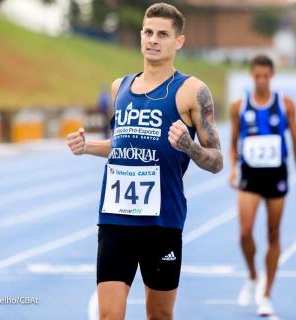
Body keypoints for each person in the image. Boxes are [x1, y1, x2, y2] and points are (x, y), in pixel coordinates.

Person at [67, 3, 223, 319]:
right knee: (109, 315)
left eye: (162, 34)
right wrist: (87, 147)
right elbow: (122, 146)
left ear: (178, 41)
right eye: (148, 32)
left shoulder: (192, 91)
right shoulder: (120, 87)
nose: (153, 40)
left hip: (162, 223)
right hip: (115, 219)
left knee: (159, 316)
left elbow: (217, 160)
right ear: (141, 36)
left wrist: (188, 147)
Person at [229, 54, 296, 317]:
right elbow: (232, 143)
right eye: (257, 76)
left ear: (271, 76)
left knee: (273, 234)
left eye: (265, 76)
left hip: (277, 174)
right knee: (244, 233)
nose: (261, 80)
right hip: (250, 175)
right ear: (252, 76)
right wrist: (232, 169)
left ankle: (266, 294)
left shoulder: (285, 105)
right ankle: (252, 275)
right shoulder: (239, 106)